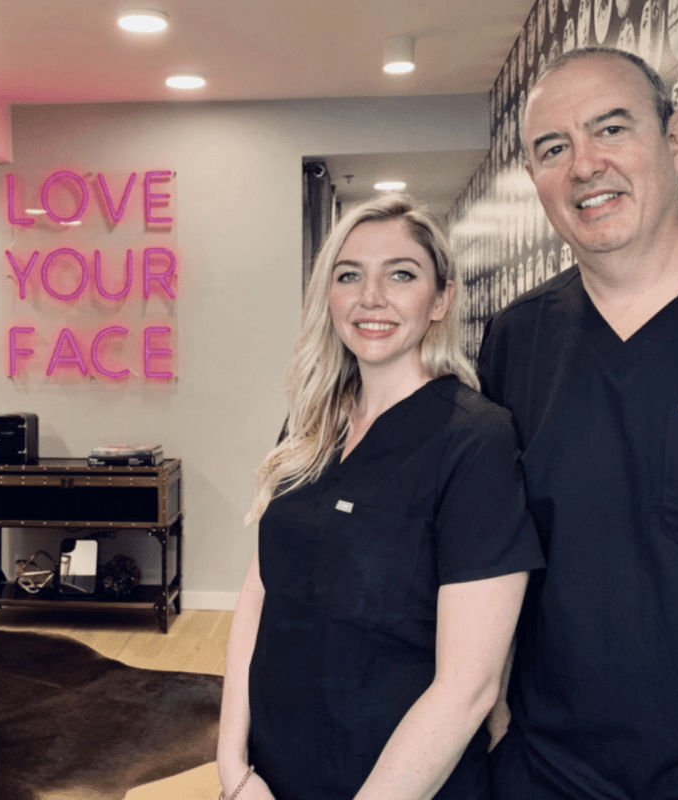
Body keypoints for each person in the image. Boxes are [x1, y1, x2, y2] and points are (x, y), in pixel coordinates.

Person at [479, 46, 678, 799]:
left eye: (611, 129)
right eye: (553, 149)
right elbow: (491, 557)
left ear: (676, 141)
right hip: (546, 771)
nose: (584, 166)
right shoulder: (513, 341)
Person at [217, 194, 544, 800]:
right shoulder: (308, 427)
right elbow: (261, 593)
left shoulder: (476, 440)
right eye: (349, 276)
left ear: (440, 299)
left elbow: (469, 687)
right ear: (328, 298)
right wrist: (233, 768)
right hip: (269, 775)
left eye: (401, 274)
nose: (372, 297)